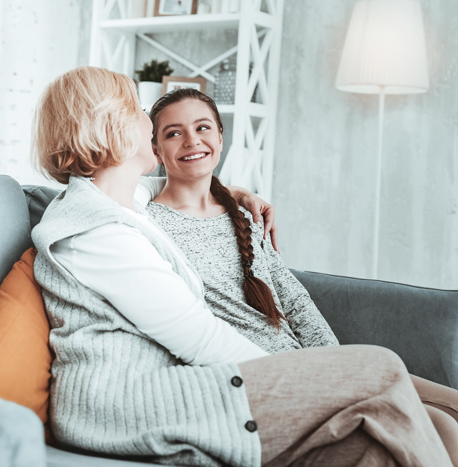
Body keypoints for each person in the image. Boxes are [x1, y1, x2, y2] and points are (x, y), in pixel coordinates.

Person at [31, 65, 451, 466]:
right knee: (379, 367)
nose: (147, 118)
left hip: (168, 389)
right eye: (139, 110)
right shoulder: (98, 234)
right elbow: (200, 340)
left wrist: (231, 193)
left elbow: (173, 186)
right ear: (113, 127)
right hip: (129, 405)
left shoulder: (120, 202)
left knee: (374, 453)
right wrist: (313, 378)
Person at [144, 87, 458, 463]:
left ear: (221, 136)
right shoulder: (148, 224)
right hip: (259, 380)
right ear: (156, 150)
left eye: (203, 127)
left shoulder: (242, 215)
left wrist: (338, 364)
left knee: (448, 418)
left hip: (309, 362)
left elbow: (294, 300)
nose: (192, 141)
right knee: (437, 423)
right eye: (173, 133)